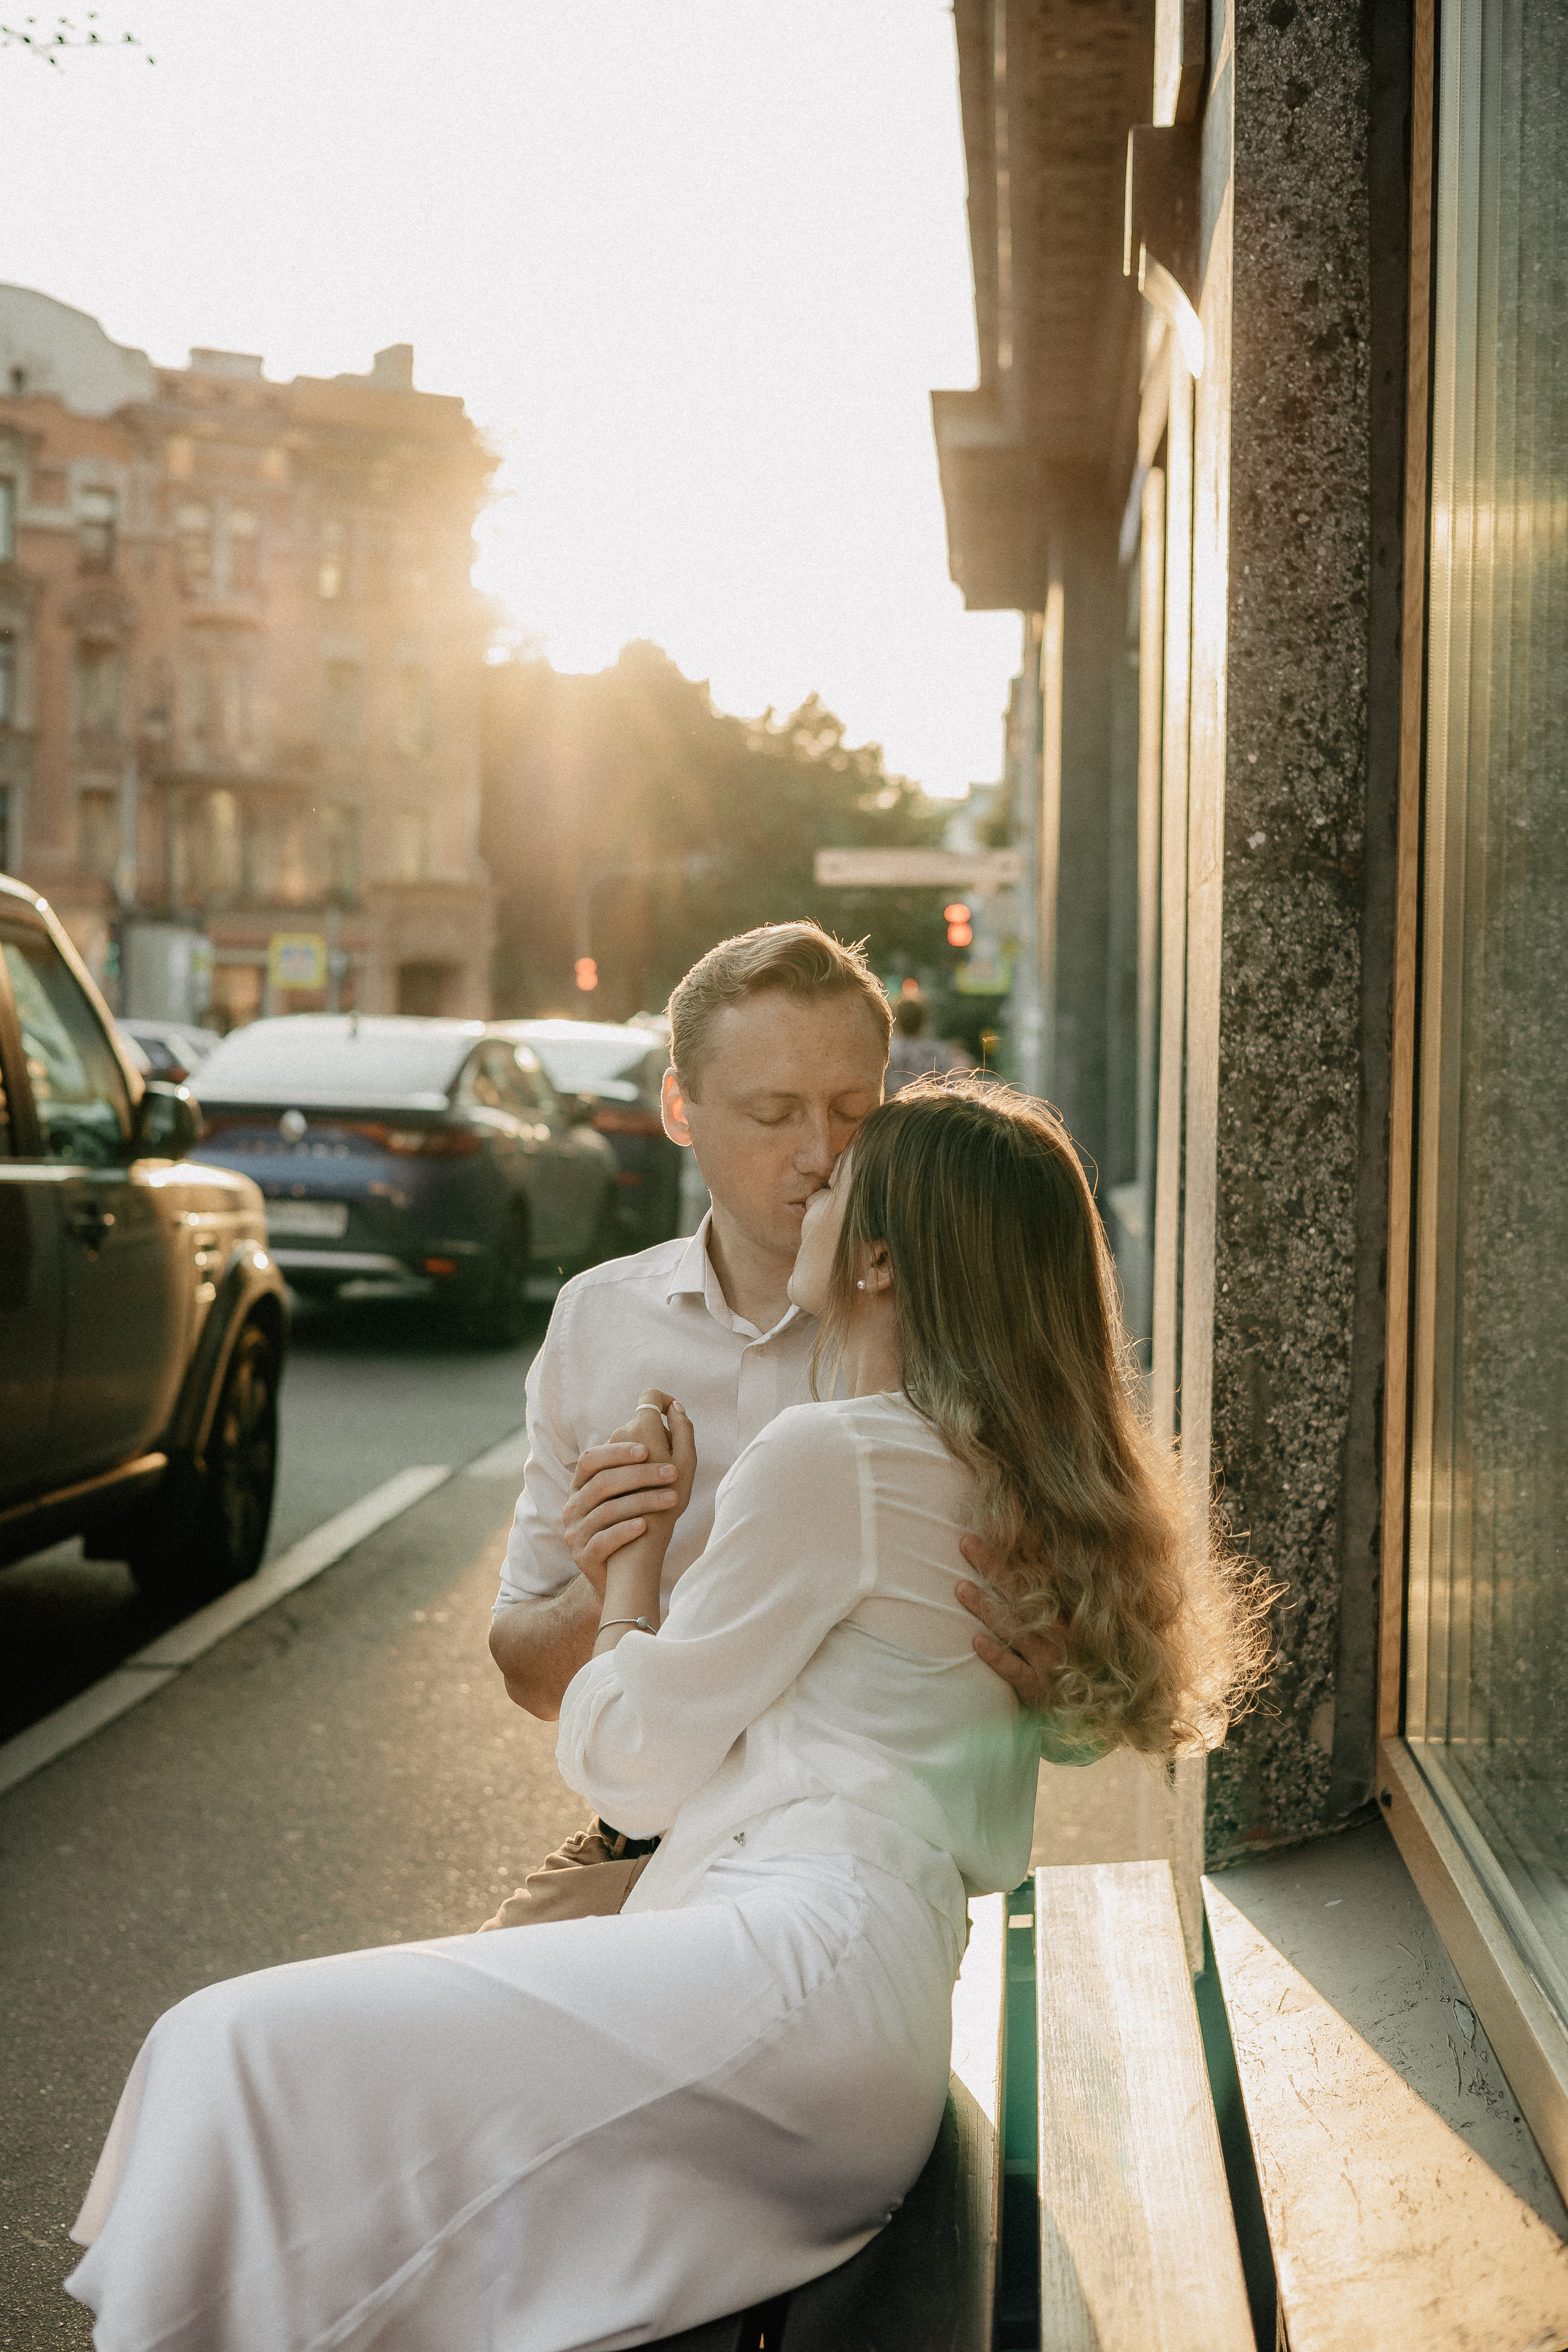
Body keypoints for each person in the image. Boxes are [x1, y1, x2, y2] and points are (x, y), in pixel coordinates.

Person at [66, 1079, 1265, 2351]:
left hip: (787, 1972)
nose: (812, 1177)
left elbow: (629, 1771)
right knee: (292, 2089)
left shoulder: (835, 1456)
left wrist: (627, 1571)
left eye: (843, 1172)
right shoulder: (997, 1469)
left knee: (234, 2051)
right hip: (860, 2001)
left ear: (876, 1260)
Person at [485, 921, 1055, 1921]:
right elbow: (527, 1674)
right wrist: (614, 1578)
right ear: (680, 1109)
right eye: (772, 1113)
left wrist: (1060, 1678)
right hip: (642, 1847)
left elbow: (1088, 1687)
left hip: (854, 1870)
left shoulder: (954, 1324)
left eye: (851, 1109)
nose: (822, 1154)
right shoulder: (598, 1322)